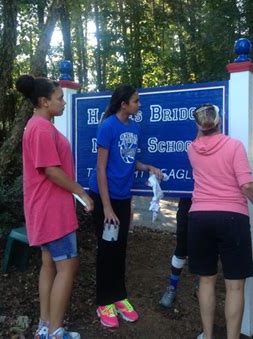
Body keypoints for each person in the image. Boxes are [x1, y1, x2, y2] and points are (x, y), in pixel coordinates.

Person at [17, 75, 94, 339]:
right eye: (59, 99)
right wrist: (81, 193)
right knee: (67, 267)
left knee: (49, 265)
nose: (63, 103)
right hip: (52, 212)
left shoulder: (40, 126)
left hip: (48, 209)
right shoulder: (40, 128)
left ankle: (45, 327)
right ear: (44, 101)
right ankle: (55, 330)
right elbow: (51, 170)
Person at [88, 85, 163, 329]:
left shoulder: (135, 127)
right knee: (107, 249)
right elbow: (101, 168)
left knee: (120, 249)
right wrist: (107, 208)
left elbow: (128, 161)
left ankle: (119, 297)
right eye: (136, 101)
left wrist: (148, 168)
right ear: (124, 105)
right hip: (104, 198)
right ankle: (103, 302)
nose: (139, 105)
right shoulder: (108, 126)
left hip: (122, 197)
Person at [187, 104, 253, 339]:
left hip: (199, 217)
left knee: (206, 281)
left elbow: (200, 137)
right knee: (235, 285)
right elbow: (247, 185)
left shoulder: (192, 149)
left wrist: (201, 126)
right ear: (220, 121)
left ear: (198, 125)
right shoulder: (234, 146)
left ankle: (207, 336)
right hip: (232, 217)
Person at [159, 197, 194, 308]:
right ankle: (172, 287)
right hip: (186, 204)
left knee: (202, 249)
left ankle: (200, 287)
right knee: (181, 249)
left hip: (207, 205)